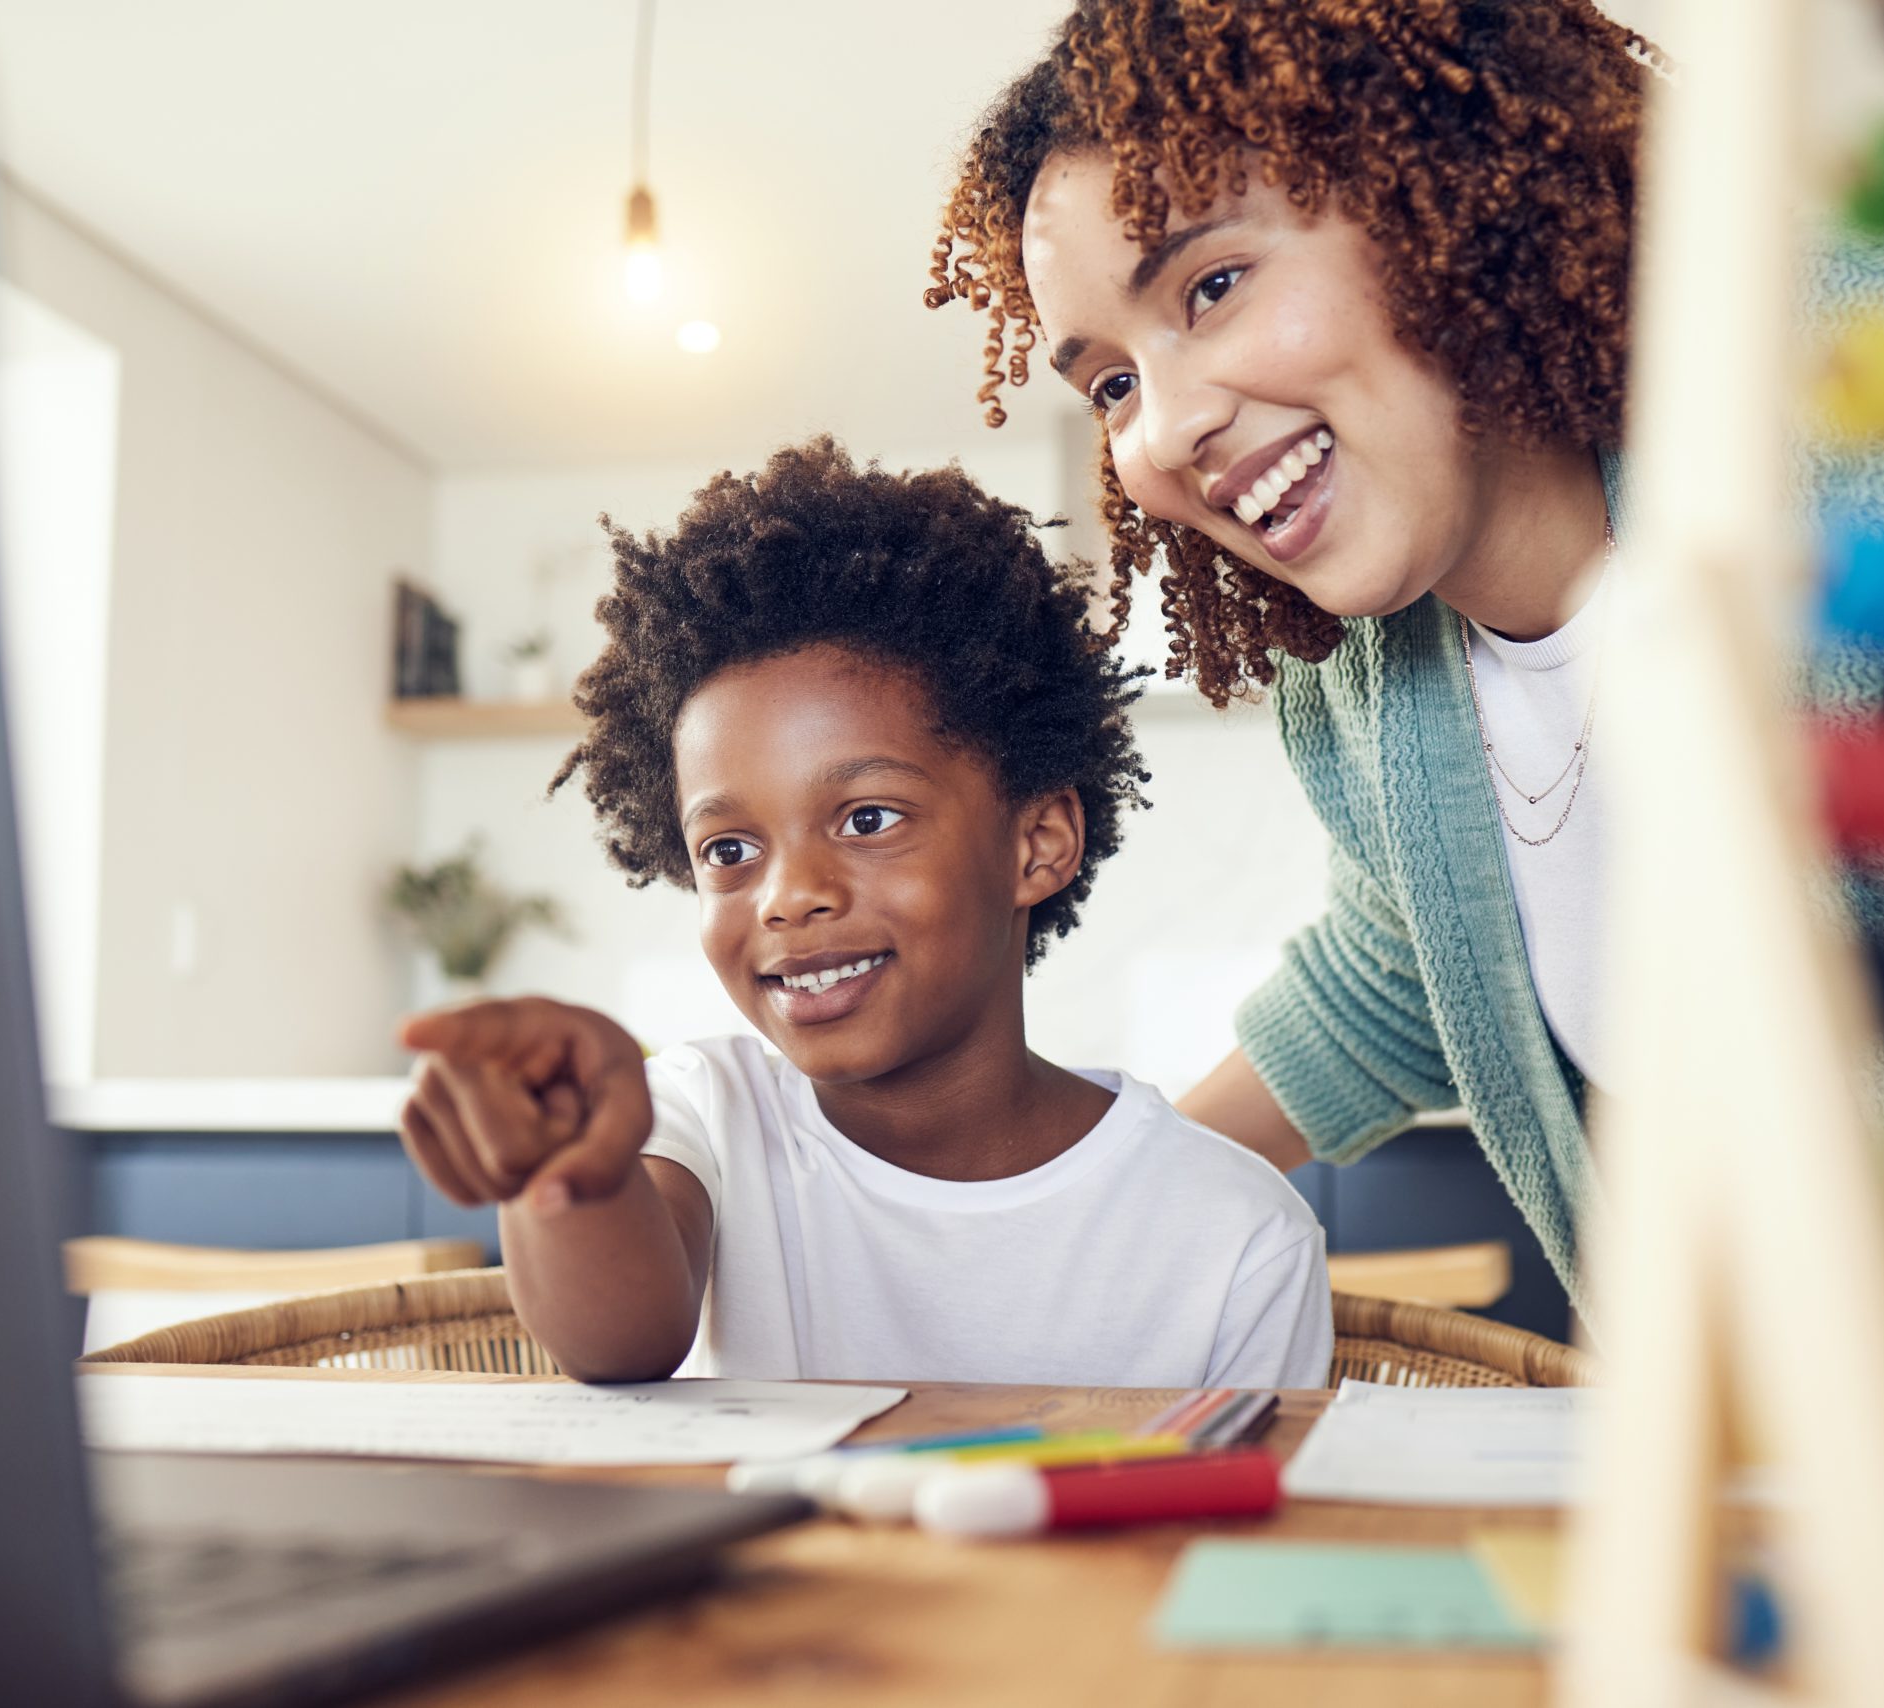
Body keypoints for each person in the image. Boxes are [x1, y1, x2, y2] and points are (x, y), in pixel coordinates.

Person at [926, 0, 1884, 1321]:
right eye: (1107, 384)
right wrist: (1062, 1214)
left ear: (1438, 182)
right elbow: (1403, 969)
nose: (1164, 434)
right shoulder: (1366, 692)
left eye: (1211, 287)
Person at [395, 439, 1333, 1386]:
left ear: (1037, 844)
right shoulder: (706, 1117)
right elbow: (620, 1339)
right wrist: (573, 1175)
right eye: (729, 850)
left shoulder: (1234, 1231)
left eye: (868, 818)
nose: (787, 894)